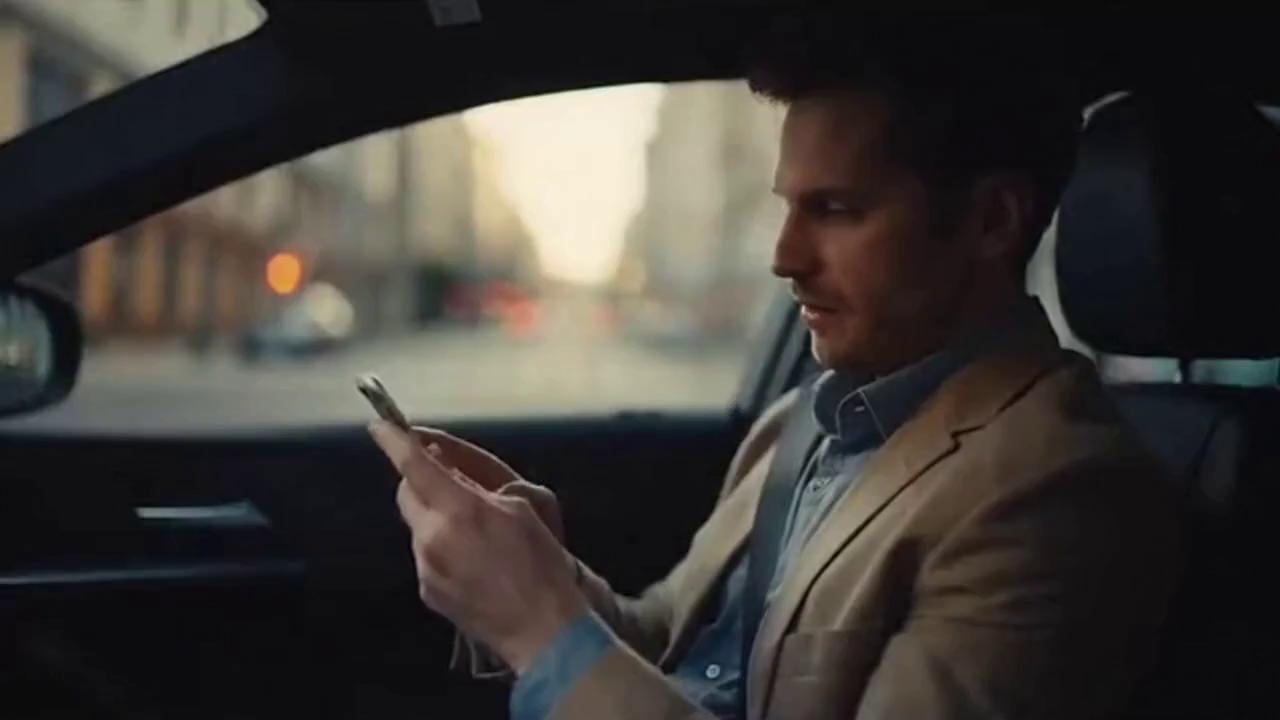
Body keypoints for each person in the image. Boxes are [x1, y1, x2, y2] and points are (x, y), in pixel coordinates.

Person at [367, 13, 1181, 720]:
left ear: (991, 222)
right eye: (787, 208)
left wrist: (540, 627)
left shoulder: (1056, 491)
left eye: (835, 210)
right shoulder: (803, 423)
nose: (785, 258)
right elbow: (674, 642)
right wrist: (542, 573)